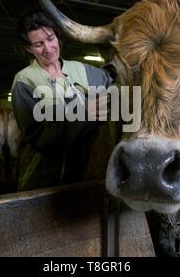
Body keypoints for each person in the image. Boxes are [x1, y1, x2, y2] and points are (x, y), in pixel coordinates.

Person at [11, 11, 114, 191]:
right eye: (38, 44)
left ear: (58, 37)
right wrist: (81, 113)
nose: (48, 48)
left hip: (90, 171)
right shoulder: (25, 81)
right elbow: (38, 135)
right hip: (46, 177)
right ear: (29, 48)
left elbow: (116, 85)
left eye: (50, 39)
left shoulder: (84, 70)